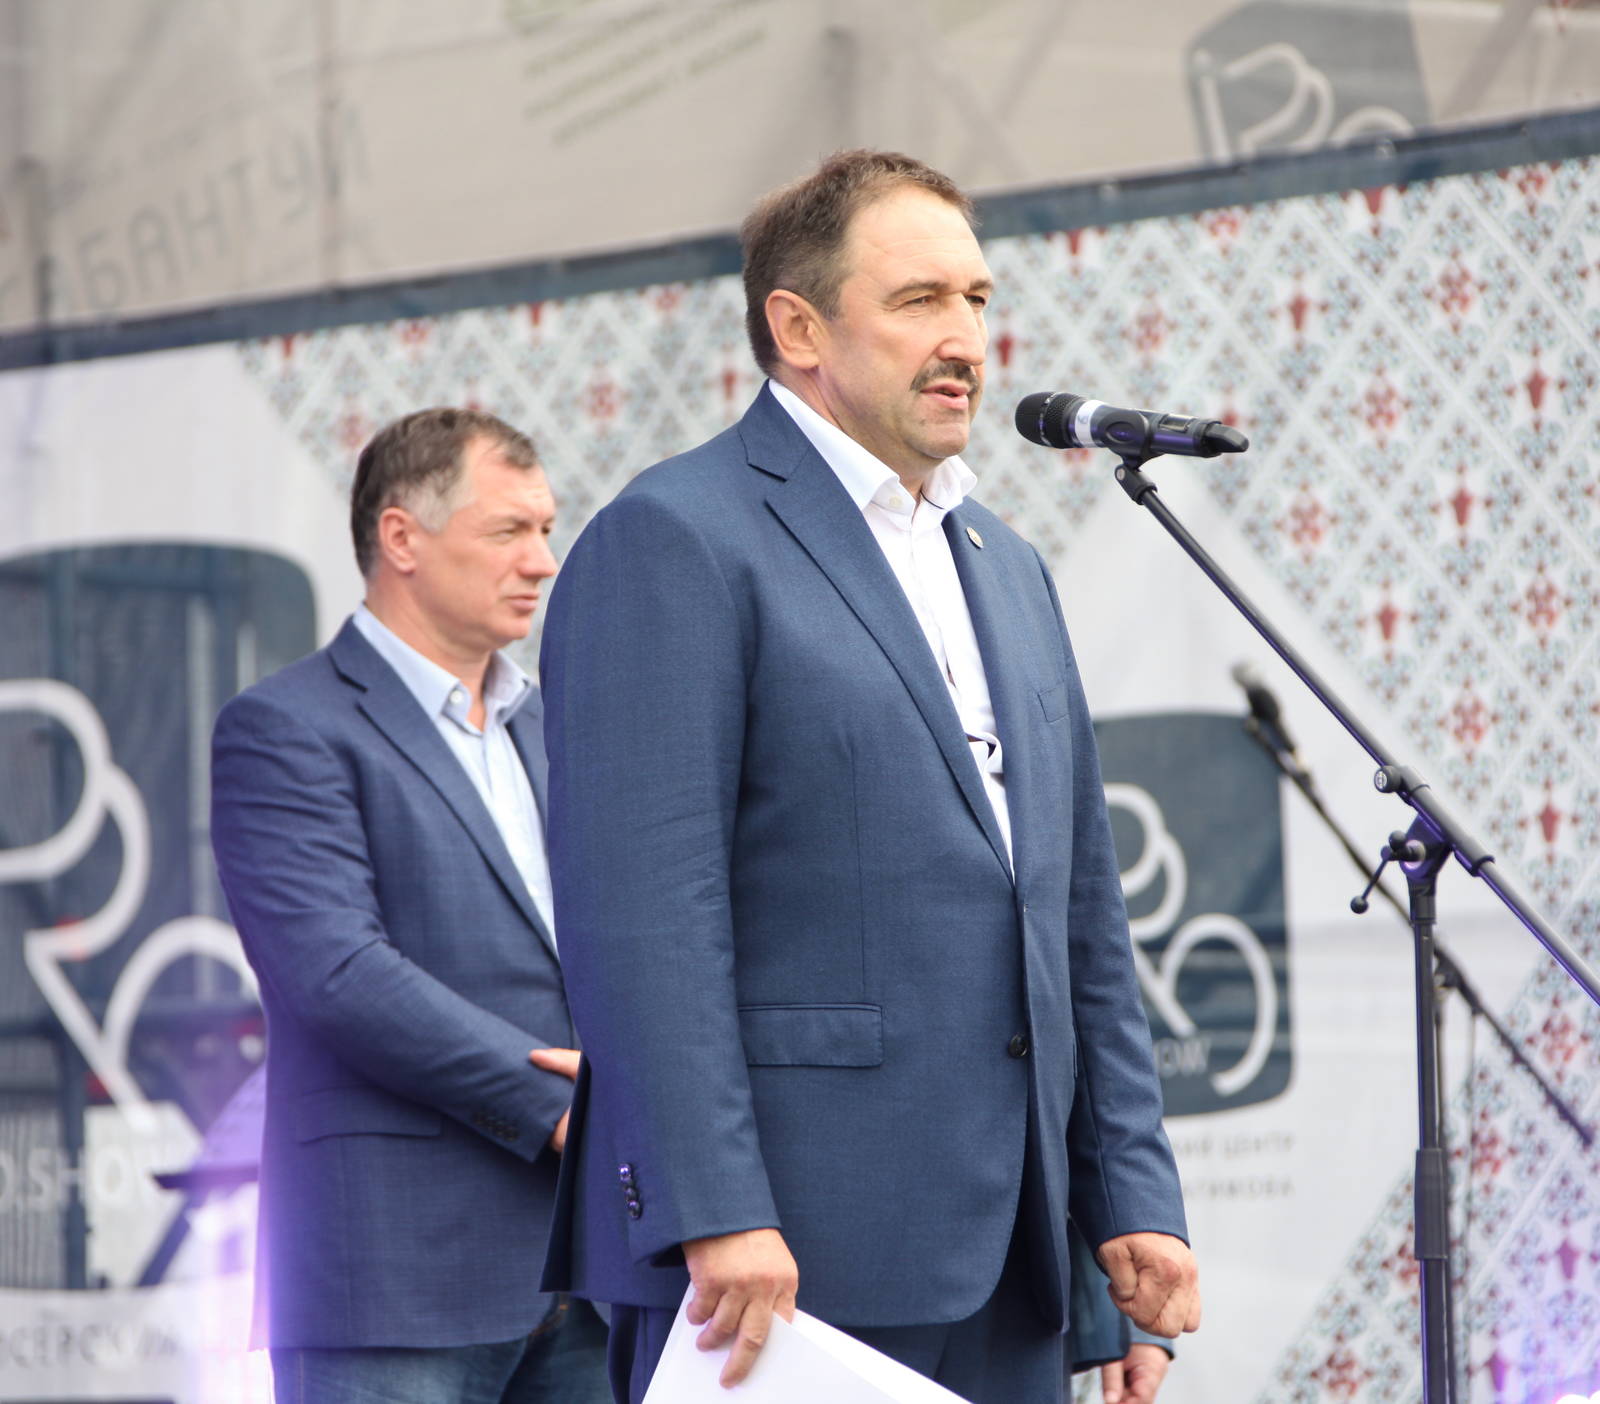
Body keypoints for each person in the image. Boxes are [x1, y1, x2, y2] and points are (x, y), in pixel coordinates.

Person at [539, 149, 1200, 1404]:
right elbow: (644, 919)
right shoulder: (675, 538)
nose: (964, 340)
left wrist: (1127, 1202)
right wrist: (714, 1206)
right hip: (783, 1259)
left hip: (1015, 1262)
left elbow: (1076, 917)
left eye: (977, 300)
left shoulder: (1005, 564)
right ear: (797, 328)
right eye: (918, 301)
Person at [211, 409, 610, 1402]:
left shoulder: (553, 724)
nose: (543, 560)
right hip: (394, 1281)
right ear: (402, 538)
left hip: (584, 1272)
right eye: (508, 530)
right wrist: (565, 1108)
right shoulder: (284, 727)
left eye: (545, 529)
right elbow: (337, 975)